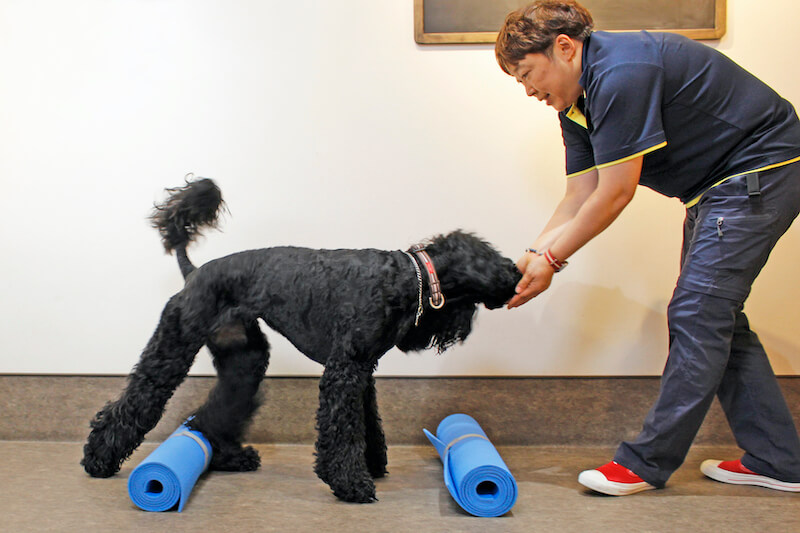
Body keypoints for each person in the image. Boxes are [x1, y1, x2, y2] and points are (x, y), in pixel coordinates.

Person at [496, 0, 800, 495]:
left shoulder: (621, 73)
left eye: (529, 74)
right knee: (716, 317)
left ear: (565, 48)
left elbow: (615, 193)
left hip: (759, 171)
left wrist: (552, 260)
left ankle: (645, 463)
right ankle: (779, 459)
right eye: (519, 82)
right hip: (717, 188)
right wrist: (534, 254)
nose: (529, 90)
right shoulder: (575, 103)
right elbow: (580, 195)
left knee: (698, 313)